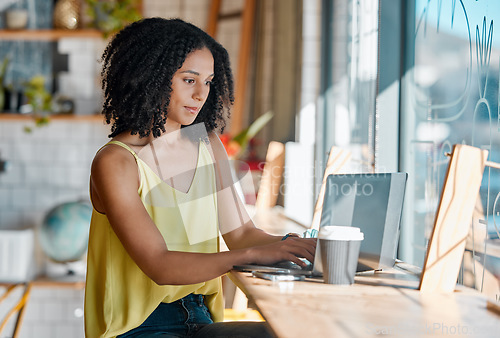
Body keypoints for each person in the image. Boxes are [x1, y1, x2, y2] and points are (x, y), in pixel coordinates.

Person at [84, 17, 316, 338]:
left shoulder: (208, 145)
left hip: (200, 315)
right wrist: (253, 256)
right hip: (138, 328)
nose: (201, 94)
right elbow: (159, 265)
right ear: (151, 76)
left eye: (208, 82)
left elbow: (242, 234)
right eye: (189, 80)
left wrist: (300, 246)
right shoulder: (116, 161)